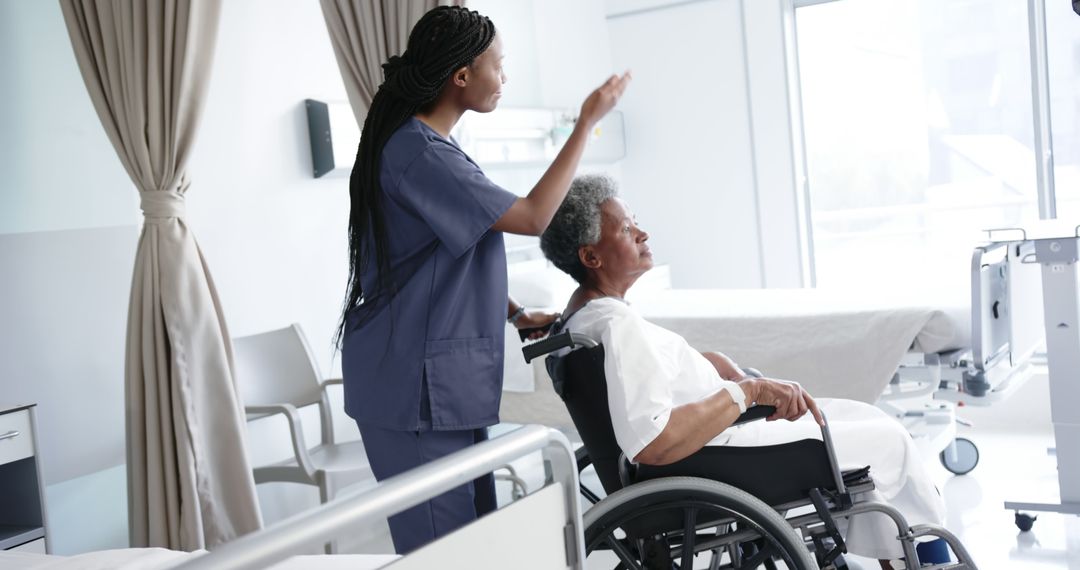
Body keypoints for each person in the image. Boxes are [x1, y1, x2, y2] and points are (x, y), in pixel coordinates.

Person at [337, 6, 630, 554]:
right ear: (461, 76)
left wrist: (516, 313)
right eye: (499, 65)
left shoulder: (432, 149)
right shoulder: (416, 151)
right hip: (412, 388)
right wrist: (585, 123)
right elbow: (532, 217)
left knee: (477, 545)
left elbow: (451, 253)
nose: (504, 77)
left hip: (443, 382)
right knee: (443, 554)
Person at [539, 174, 948, 566]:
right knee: (888, 441)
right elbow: (654, 441)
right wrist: (747, 392)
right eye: (627, 230)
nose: (642, 234)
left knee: (864, 417)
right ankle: (924, 559)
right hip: (715, 454)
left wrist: (713, 367)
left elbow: (650, 376)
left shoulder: (585, 320)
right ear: (591, 256)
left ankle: (901, 558)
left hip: (714, 442)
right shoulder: (615, 325)